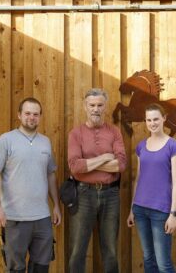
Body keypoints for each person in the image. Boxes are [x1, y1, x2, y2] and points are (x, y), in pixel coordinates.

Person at [0, 97, 61, 273]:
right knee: (15, 268)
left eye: (36, 114)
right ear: (19, 115)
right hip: (15, 218)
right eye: (27, 113)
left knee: (41, 267)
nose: (31, 117)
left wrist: (56, 206)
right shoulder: (6, 140)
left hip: (42, 218)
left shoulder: (45, 142)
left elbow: (50, 175)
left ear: (40, 117)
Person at [67, 88, 127, 273]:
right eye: (92, 105)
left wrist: (90, 164)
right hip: (83, 194)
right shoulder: (76, 133)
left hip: (111, 194)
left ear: (105, 107)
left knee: (110, 249)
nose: (96, 109)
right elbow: (75, 166)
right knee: (78, 249)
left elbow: (121, 165)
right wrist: (104, 158)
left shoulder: (114, 131)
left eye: (100, 105)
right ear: (85, 106)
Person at [127, 103, 176, 273]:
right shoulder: (141, 146)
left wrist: (173, 215)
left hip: (161, 211)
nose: (152, 123)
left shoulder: (173, 146)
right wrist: (131, 210)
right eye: (149, 120)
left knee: (163, 263)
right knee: (148, 258)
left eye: (156, 119)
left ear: (164, 118)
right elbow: (138, 180)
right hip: (140, 210)